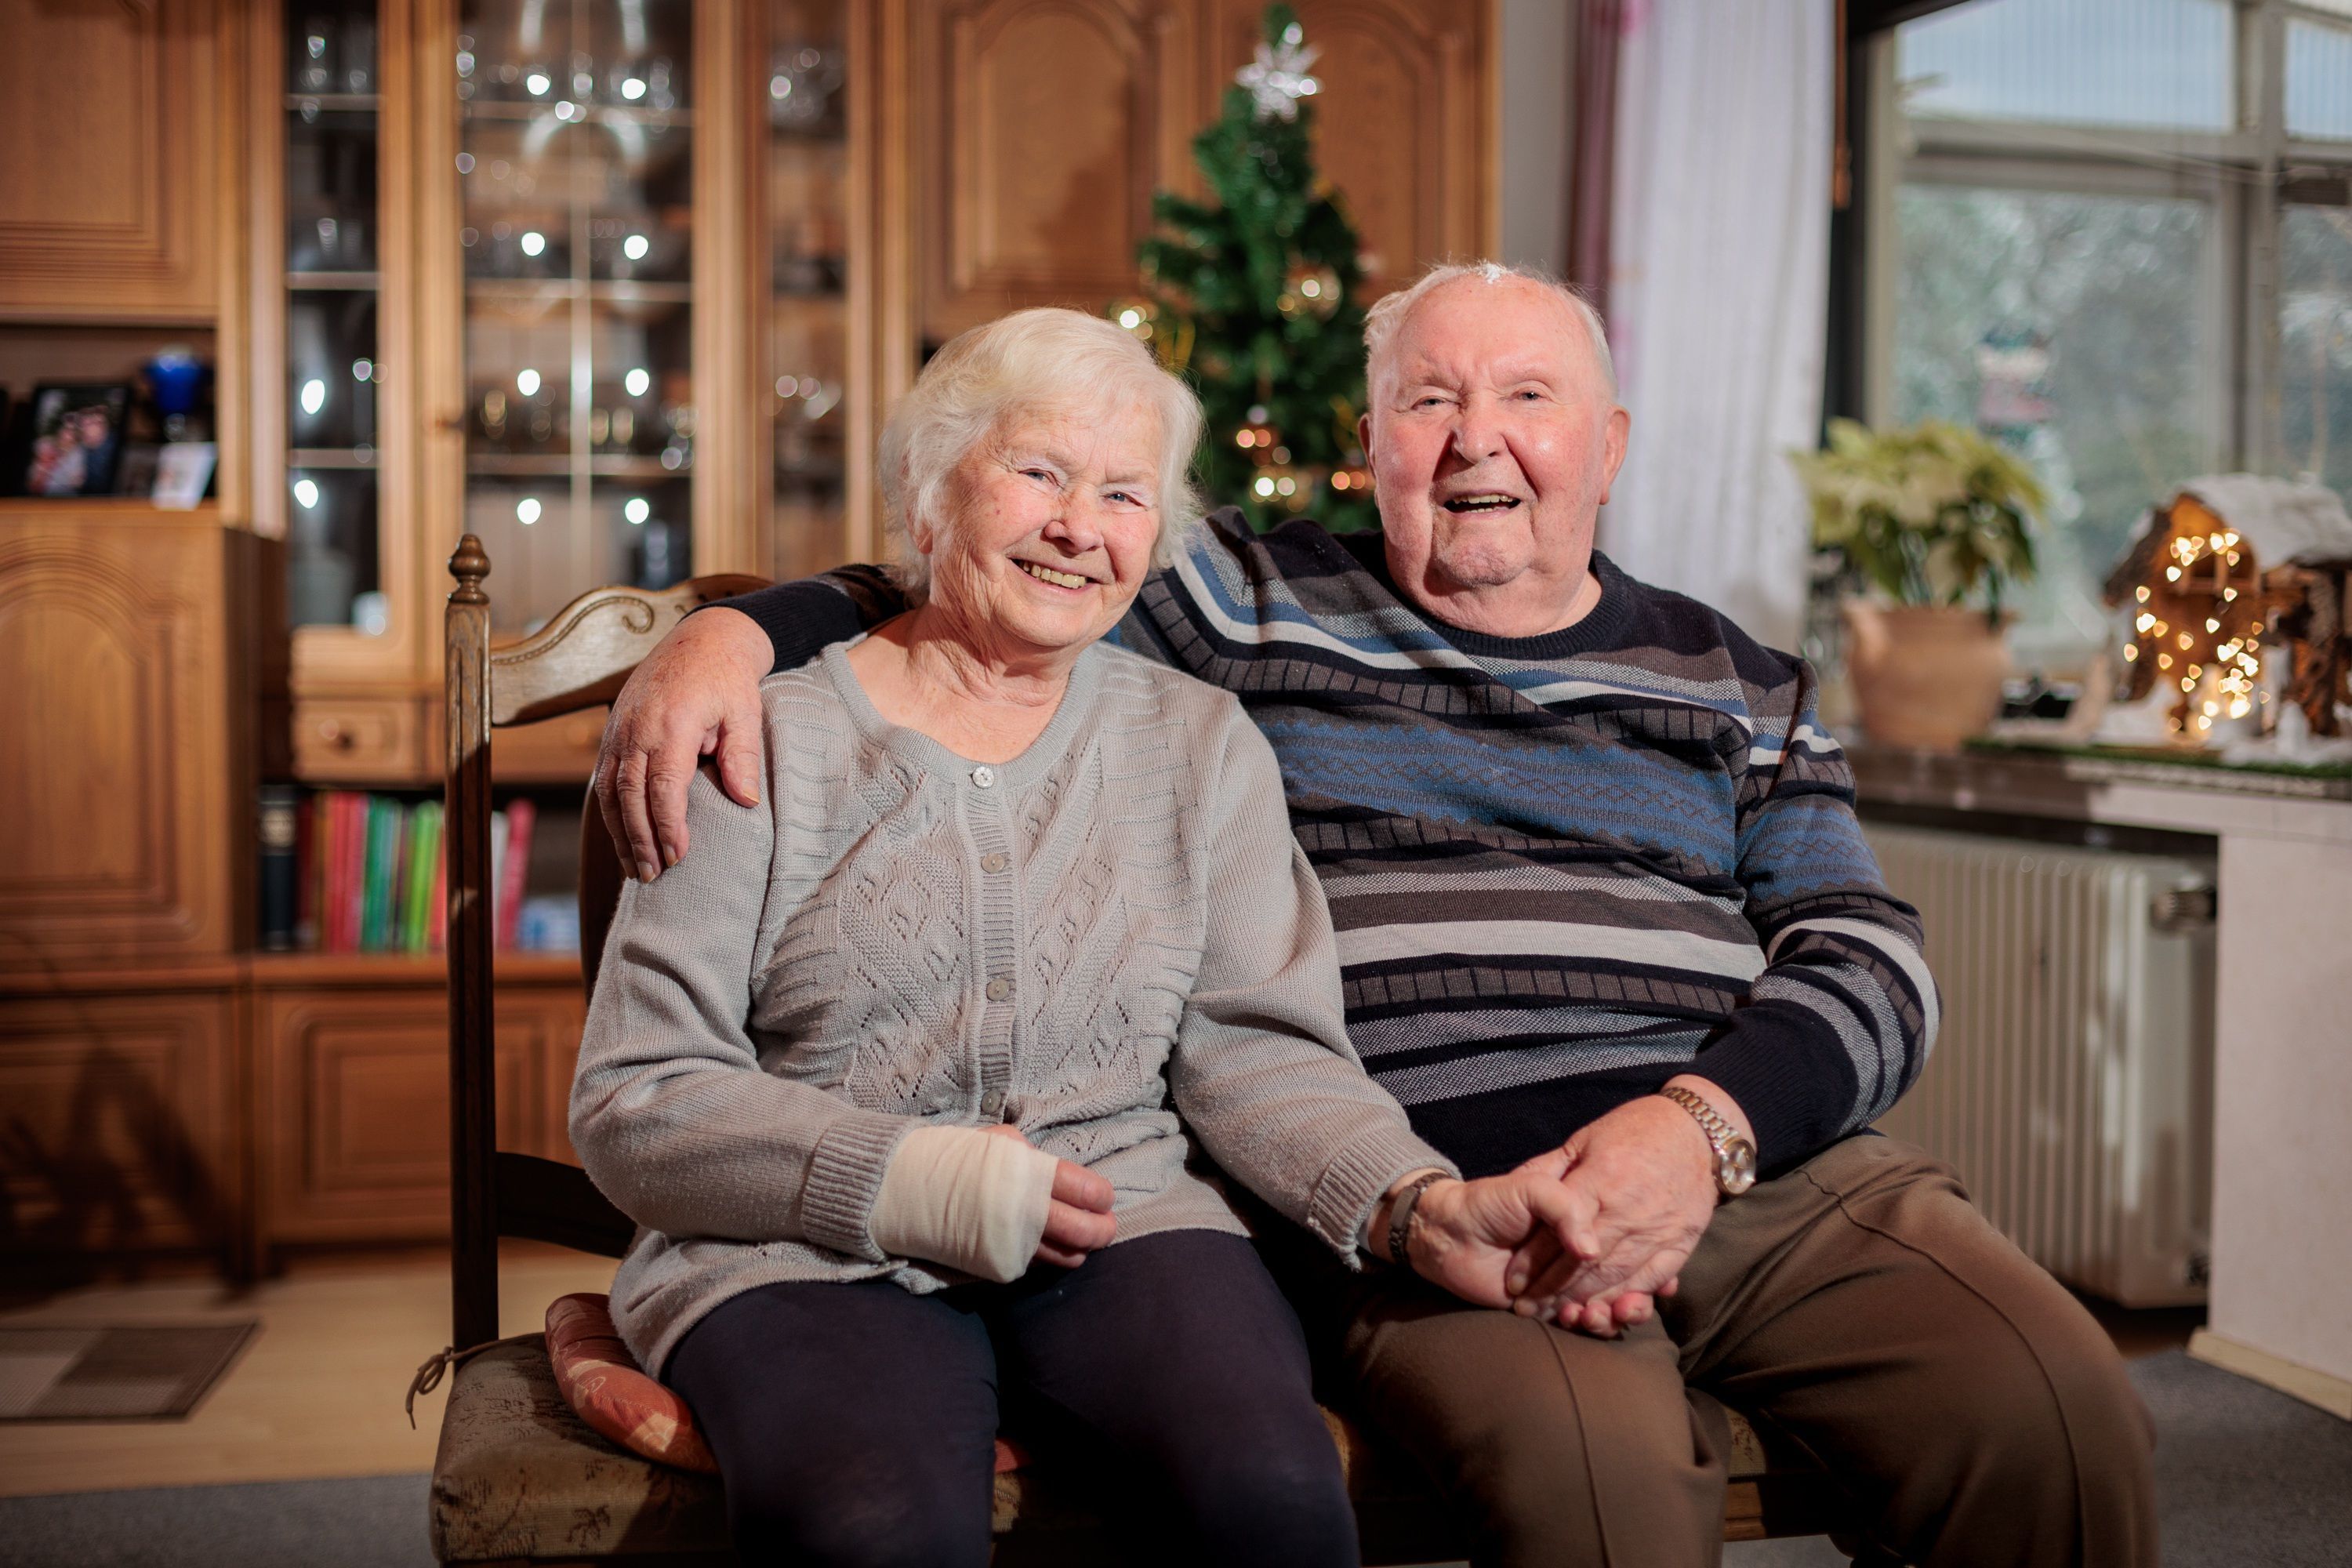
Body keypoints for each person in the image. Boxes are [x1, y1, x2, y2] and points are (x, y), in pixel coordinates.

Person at [594, 263, 2159, 1568]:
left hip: (1756, 1159)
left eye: (1528, 397)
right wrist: (730, 636)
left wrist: (1700, 1131)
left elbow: (1866, 951)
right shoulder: (1247, 607)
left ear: (1609, 445)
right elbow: (991, 570)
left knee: (2054, 1403)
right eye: (1429, 401)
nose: (1479, 440)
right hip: (1459, 1173)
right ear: (1370, 447)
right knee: (1597, 1482)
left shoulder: (1734, 677)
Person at [570, 305, 1590, 1568]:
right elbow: (639, 1094)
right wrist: (915, 1179)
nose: (1077, 527)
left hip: (1127, 1214)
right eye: (1039, 472)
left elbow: (1264, 1054)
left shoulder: (1199, 743)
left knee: (1271, 1500)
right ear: (928, 493)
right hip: (796, 1247)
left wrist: (1412, 1203)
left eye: (1122, 493)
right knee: (871, 1528)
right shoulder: (758, 740)